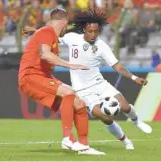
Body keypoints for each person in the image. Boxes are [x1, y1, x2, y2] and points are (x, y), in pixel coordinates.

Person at [59, 10, 152, 150]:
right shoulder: (71, 38)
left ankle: (136, 121)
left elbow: (117, 66)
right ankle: (126, 141)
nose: (93, 34)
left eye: (96, 31)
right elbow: (51, 36)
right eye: (90, 31)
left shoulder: (101, 45)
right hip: (83, 90)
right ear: (84, 29)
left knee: (125, 107)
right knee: (105, 117)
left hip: (100, 84)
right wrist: (34, 31)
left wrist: (134, 77)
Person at [19, 8, 105, 155]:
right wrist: (70, 65)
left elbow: (45, 31)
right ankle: (67, 139)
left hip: (43, 76)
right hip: (31, 76)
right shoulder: (47, 32)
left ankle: (84, 146)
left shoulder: (47, 32)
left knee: (79, 103)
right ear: (64, 22)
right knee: (69, 92)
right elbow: (46, 55)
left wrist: (34, 30)